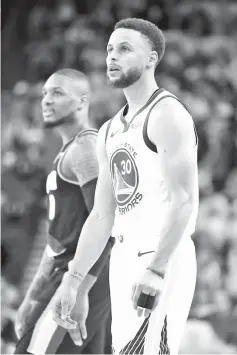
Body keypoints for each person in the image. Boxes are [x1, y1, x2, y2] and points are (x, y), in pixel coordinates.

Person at [52, 18, 199, 355]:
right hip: (123, 256)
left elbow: (185, 200)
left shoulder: (166, 115)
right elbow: (102, 215)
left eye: (124, 48)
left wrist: (157, 269)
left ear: (151, 58)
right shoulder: (108, 131)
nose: (111, 57)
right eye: (109, 50)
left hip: (158, 255)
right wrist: (73, 282)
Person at [14, 68, 114, 354]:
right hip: (76, 273)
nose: (46, 100)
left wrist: (80, 287)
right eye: (45, 93)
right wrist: (31, 297)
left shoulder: (85, 148)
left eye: (57, 93)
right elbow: (55, 240)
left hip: (81, 273)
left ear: (82, 102)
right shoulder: (69, 150)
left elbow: (108, 223)